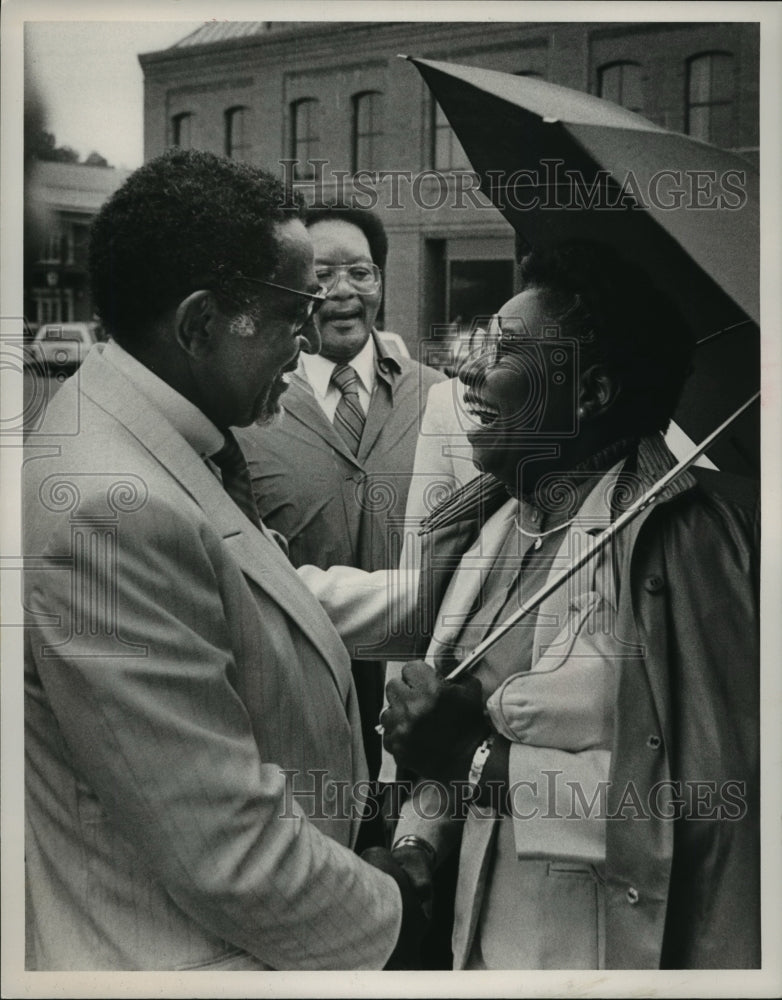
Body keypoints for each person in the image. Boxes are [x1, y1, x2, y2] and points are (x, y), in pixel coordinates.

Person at [23, 149, 426, 971]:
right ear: (201, 324)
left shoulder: (145, 432)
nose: (311, 333)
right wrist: (400, 914)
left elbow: (264, 602)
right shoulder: (112, 509)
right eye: (293, 308)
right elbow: (224, 848)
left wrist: (474, 594)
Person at [379, 241, 760, 969]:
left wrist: (482, 763)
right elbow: (448, 732)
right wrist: (415, 849)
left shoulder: (687, 545)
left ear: (590, 394)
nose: (468, 369)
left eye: (508, 350)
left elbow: (718, 801)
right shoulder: (490, 524)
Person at [236, 203, 444, 802]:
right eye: (322, 276)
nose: (343, 292)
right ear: (293, 288)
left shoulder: (438, 398)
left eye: (362, 272)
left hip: (413, 707)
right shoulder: (250, 404)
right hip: (290, 704)